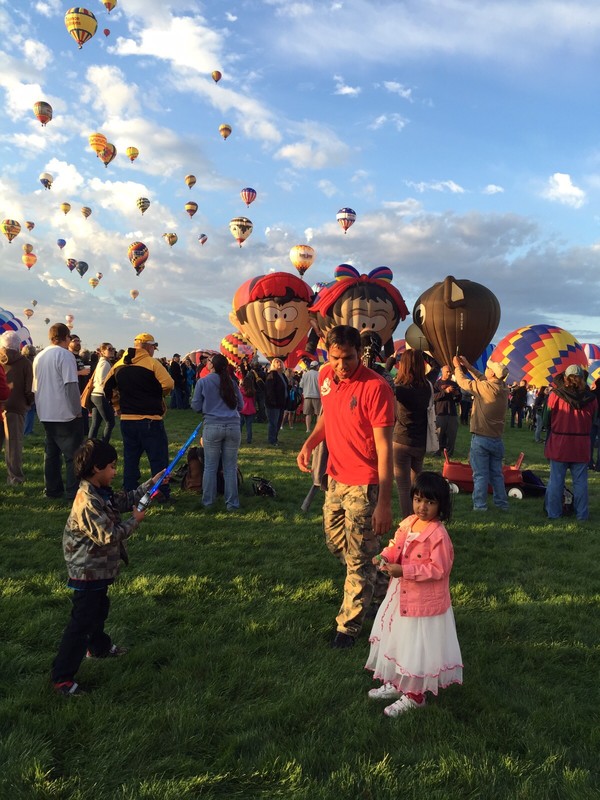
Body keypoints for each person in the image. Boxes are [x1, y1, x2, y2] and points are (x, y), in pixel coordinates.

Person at [297, 325, 394, 649]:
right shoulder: (325, 376)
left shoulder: (376, 388)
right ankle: (383, 584)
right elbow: (327, 415)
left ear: (360, 354)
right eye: (335, 358)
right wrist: (310, 442)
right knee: (337, 544)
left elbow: (384, 447)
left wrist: (384, 503)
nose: (341, 365)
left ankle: (348, 629)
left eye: (348, 358)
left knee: (356, 560)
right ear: (327, 352)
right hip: (335, 478)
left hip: (364, 485)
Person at [50, 439, 165, 696]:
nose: (115, 472)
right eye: (111, 467)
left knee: (99, 609)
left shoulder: (101, 492)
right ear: (95, 469)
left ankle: (99, 647)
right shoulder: (87, 501)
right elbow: (109, 535)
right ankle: (62, 678)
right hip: (87, 571)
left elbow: (128, 498)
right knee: (82, 622)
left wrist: (153, 482)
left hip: (99, 570)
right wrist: (135, 521)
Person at [365, 472, 463, 716]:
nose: (422, 507)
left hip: (424, 605)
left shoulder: (438, 535)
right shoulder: (408, 523)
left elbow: (438, 569)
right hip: (402, 597)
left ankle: (415, 695)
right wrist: (385, 556)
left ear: (441, 505)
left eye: (430, 502)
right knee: (400, 641)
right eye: (418, 500)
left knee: (417, 647)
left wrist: (404, 570)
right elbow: (396, 545)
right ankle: (399, 683)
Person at [103, 333, 174, 500]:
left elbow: (107, 387)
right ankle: (161, 493)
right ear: (149, 347)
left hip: (128, 420)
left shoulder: (119, 364)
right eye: (153, 348)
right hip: (151, 420)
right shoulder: (152, 363)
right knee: (158, 459)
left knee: (131, 459)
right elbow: (169, 384)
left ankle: (129, 492)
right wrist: (157, 395)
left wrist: (117, 405)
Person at [33, 323, 84, 500]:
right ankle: (72, 492)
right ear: (66, 337)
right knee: (73, 456)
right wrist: (77, 410)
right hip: (64, 413)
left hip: (46, 412)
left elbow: (35, 387)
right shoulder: (65, 355)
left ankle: (52, 490)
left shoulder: (39, 356)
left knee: (52, 455)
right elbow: (70, 384)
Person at [453, 355, 509, 512]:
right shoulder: (503, 388)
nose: (487, 368)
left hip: (481, 439)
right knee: (497, 475)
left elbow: (463, 382)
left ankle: (480, 506)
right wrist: (469, 366)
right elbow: (484, 379)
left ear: (492, 373)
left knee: (480, 475)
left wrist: (457, 367)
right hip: (497, 439)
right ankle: (502, 504)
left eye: (489, 368)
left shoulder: (485, 388)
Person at [544, 364, 597, 521]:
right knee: (580, 482)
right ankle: (582, 515)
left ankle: (554, 514)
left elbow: (547, 418)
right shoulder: (591, 399)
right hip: (581, 444)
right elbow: (594, 420)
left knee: (556, 481)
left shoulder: (555, 395)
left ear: (565, 378)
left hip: (560, 442)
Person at [191, 353, 243, 510]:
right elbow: (240, 406)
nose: (207, 362)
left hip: (212, 426)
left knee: (210, 467)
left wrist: (209, 407)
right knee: (230, 467)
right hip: (233, 426)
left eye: (209, 360)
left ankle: (208, 502)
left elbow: (195, 406)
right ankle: (232, 503)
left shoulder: (203, 382)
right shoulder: (232, 382)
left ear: (212, 365)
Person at [392, 349, 432, 518]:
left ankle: (408, 520)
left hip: (401, 440)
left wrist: (390, 361)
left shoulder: (400, 388)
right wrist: (425, 355)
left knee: (403, 487)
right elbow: (436, 366)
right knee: (417, 484)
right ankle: (419, 517)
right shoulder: (427, 386)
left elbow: (383, 378)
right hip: (420, 441)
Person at [0, 331, 34, 485]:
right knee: (14, 444)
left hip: (1, 405)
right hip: (16, 406)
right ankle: (15, 478)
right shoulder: (25, 363)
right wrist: (28, 403)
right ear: (19, 345)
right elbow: (29, 388)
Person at [89, 343, 116, 443]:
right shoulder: (105, 363)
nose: (112, 350)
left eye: (113, 349)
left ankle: (90, 445)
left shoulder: (103, 362)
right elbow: (102, 380)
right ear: (102, 352)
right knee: (110, 422)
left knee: (95, 423)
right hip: (100, 395)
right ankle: (104, 444)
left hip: (95, 395)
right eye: (109, 349)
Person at [433, 365, 461, 456]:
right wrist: (445, 392)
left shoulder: (454, 384)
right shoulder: (437, 384)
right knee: (439, 434)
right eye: (447, 372)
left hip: (452, 412)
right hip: (440, 412)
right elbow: (433, 397)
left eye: (450, 372)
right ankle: (437, 451)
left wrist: (457, 395)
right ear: (442, 372)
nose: (449, 373)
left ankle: (449, 453)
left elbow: (458, 399)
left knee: (452, 434)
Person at [69, 334, 91, 435]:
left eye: (79, 341)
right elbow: (64, 373)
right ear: (69, 342)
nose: (78, 343)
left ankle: (85, 433)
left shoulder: (79, 357)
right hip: (73, 391)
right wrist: (79, 373)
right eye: (75, 341)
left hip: (83, 390)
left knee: (84, 413)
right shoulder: (68, 356)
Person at [265, 358, 288, 446]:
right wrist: (272, 401)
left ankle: (275, 438)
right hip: (273, 404)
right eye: (277, 362)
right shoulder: (272, 375)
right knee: (273, 422)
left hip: (281, 402)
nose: (279, 364)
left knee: (278, 422)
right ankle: (272, 440)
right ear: (273, 365)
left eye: (280, 362)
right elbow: (269, 390)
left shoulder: (283, 375)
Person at [300, 361, 321, 433]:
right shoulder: (319, 374)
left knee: (308, 414)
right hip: (317, 396)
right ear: (317, 366)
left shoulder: (305, 374)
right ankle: (317, 429)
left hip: (307, 396)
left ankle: (308, 429)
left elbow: (301, 385)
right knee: (318, 414)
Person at [22, 345, 38, 435]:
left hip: (21, 388)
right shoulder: (35, 362)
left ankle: (24, 429)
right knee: (30, 410)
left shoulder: (21, 362)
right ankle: (28, 430)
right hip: (32, 387)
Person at [239, 373, 256, 444]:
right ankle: (249, 439)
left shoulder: (240, 390)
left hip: (243, 409)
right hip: (250, 409)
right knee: (249, 425)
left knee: (240, 425)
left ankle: (238, 438)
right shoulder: (252, 391)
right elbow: (254, 401)